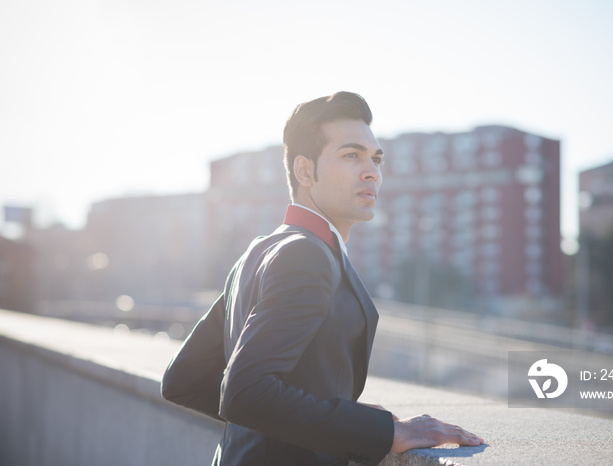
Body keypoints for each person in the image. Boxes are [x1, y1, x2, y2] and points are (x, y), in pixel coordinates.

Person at [161, 91, 484, 465]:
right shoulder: (305, 255)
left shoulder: (260, 250)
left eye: (376, 158)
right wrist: (382, 431)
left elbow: (185, 380)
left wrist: (335, 418)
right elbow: (246, 394)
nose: (372, 171)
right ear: (304, 171)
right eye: (351, 156)